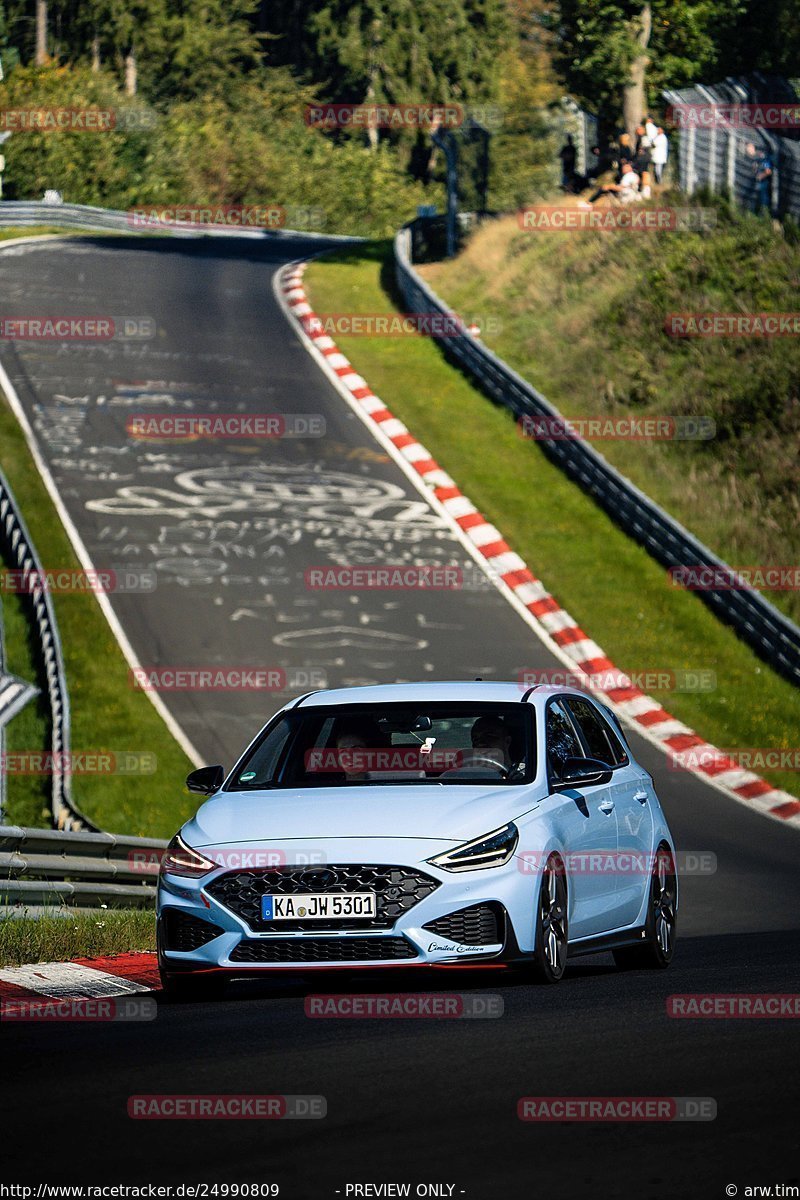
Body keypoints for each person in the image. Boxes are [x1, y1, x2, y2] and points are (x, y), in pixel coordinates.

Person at [745, 141, 773, 213]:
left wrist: (760, 176)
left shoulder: (763, 158)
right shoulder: (754, 158)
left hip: (763, 184)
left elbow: (768, 171)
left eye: (749, 148)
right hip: (756, 183)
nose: (747, 151)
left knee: (764, 202)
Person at [633, 125, 652, 198]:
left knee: (643, 173)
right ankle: (640, 190)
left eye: (639, 130)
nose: (637, 131)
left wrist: (641, 152)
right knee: (641, 174)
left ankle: (644, 191)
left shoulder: (644, 138)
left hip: (643, 159)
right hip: (641, 159)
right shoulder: (640, 138)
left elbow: (645, 149)